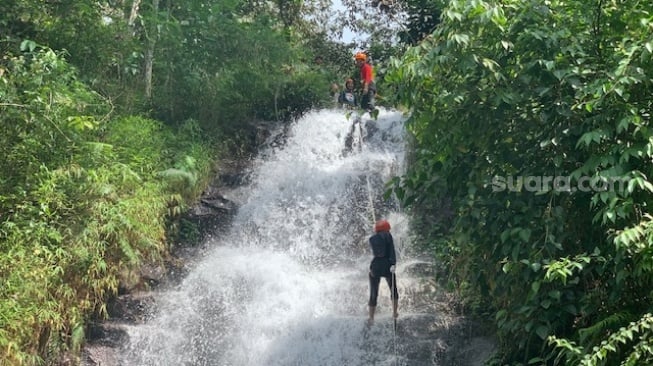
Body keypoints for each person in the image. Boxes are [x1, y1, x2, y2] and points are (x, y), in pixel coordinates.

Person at [367, 219, 398, 326]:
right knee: (393, 289)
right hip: (387, 265)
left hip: (375, 266)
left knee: (373, 292)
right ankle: (394, 313)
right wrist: (393, 264)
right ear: (387, 229)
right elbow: (392, 251)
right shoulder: (388, 236)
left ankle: (371, 318)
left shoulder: (371, 239)